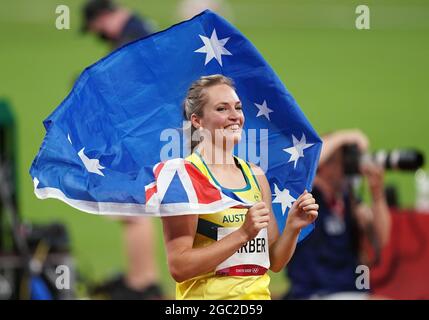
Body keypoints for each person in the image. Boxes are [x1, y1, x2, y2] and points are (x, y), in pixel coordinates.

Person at [161, 74, 319, 300]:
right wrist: (243, 234)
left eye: (238, 107)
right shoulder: (183, 177)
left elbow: (273, 261)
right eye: (222, 109)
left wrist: (294, 226)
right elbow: (179, 267)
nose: (235, 116)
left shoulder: (255, 176)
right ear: (197, 120)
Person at [81, 0, 162, 299]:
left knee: (133, 209)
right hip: (145, 133)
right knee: (131, 209)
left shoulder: (132, 37)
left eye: (97, 29)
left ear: (105, 17)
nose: (98, 36)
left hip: (141, 136)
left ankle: (143, 284)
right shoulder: (137, 31)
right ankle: (141, 279)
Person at [283, 129, 392, 300]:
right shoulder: (305, 197)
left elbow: (381, 239)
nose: (347, 166)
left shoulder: (350, 201)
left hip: (353, 291)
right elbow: (309, 160)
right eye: (342, 160)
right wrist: (347, 136)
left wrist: (377, 194)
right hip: (314, 293)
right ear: (324, 165)